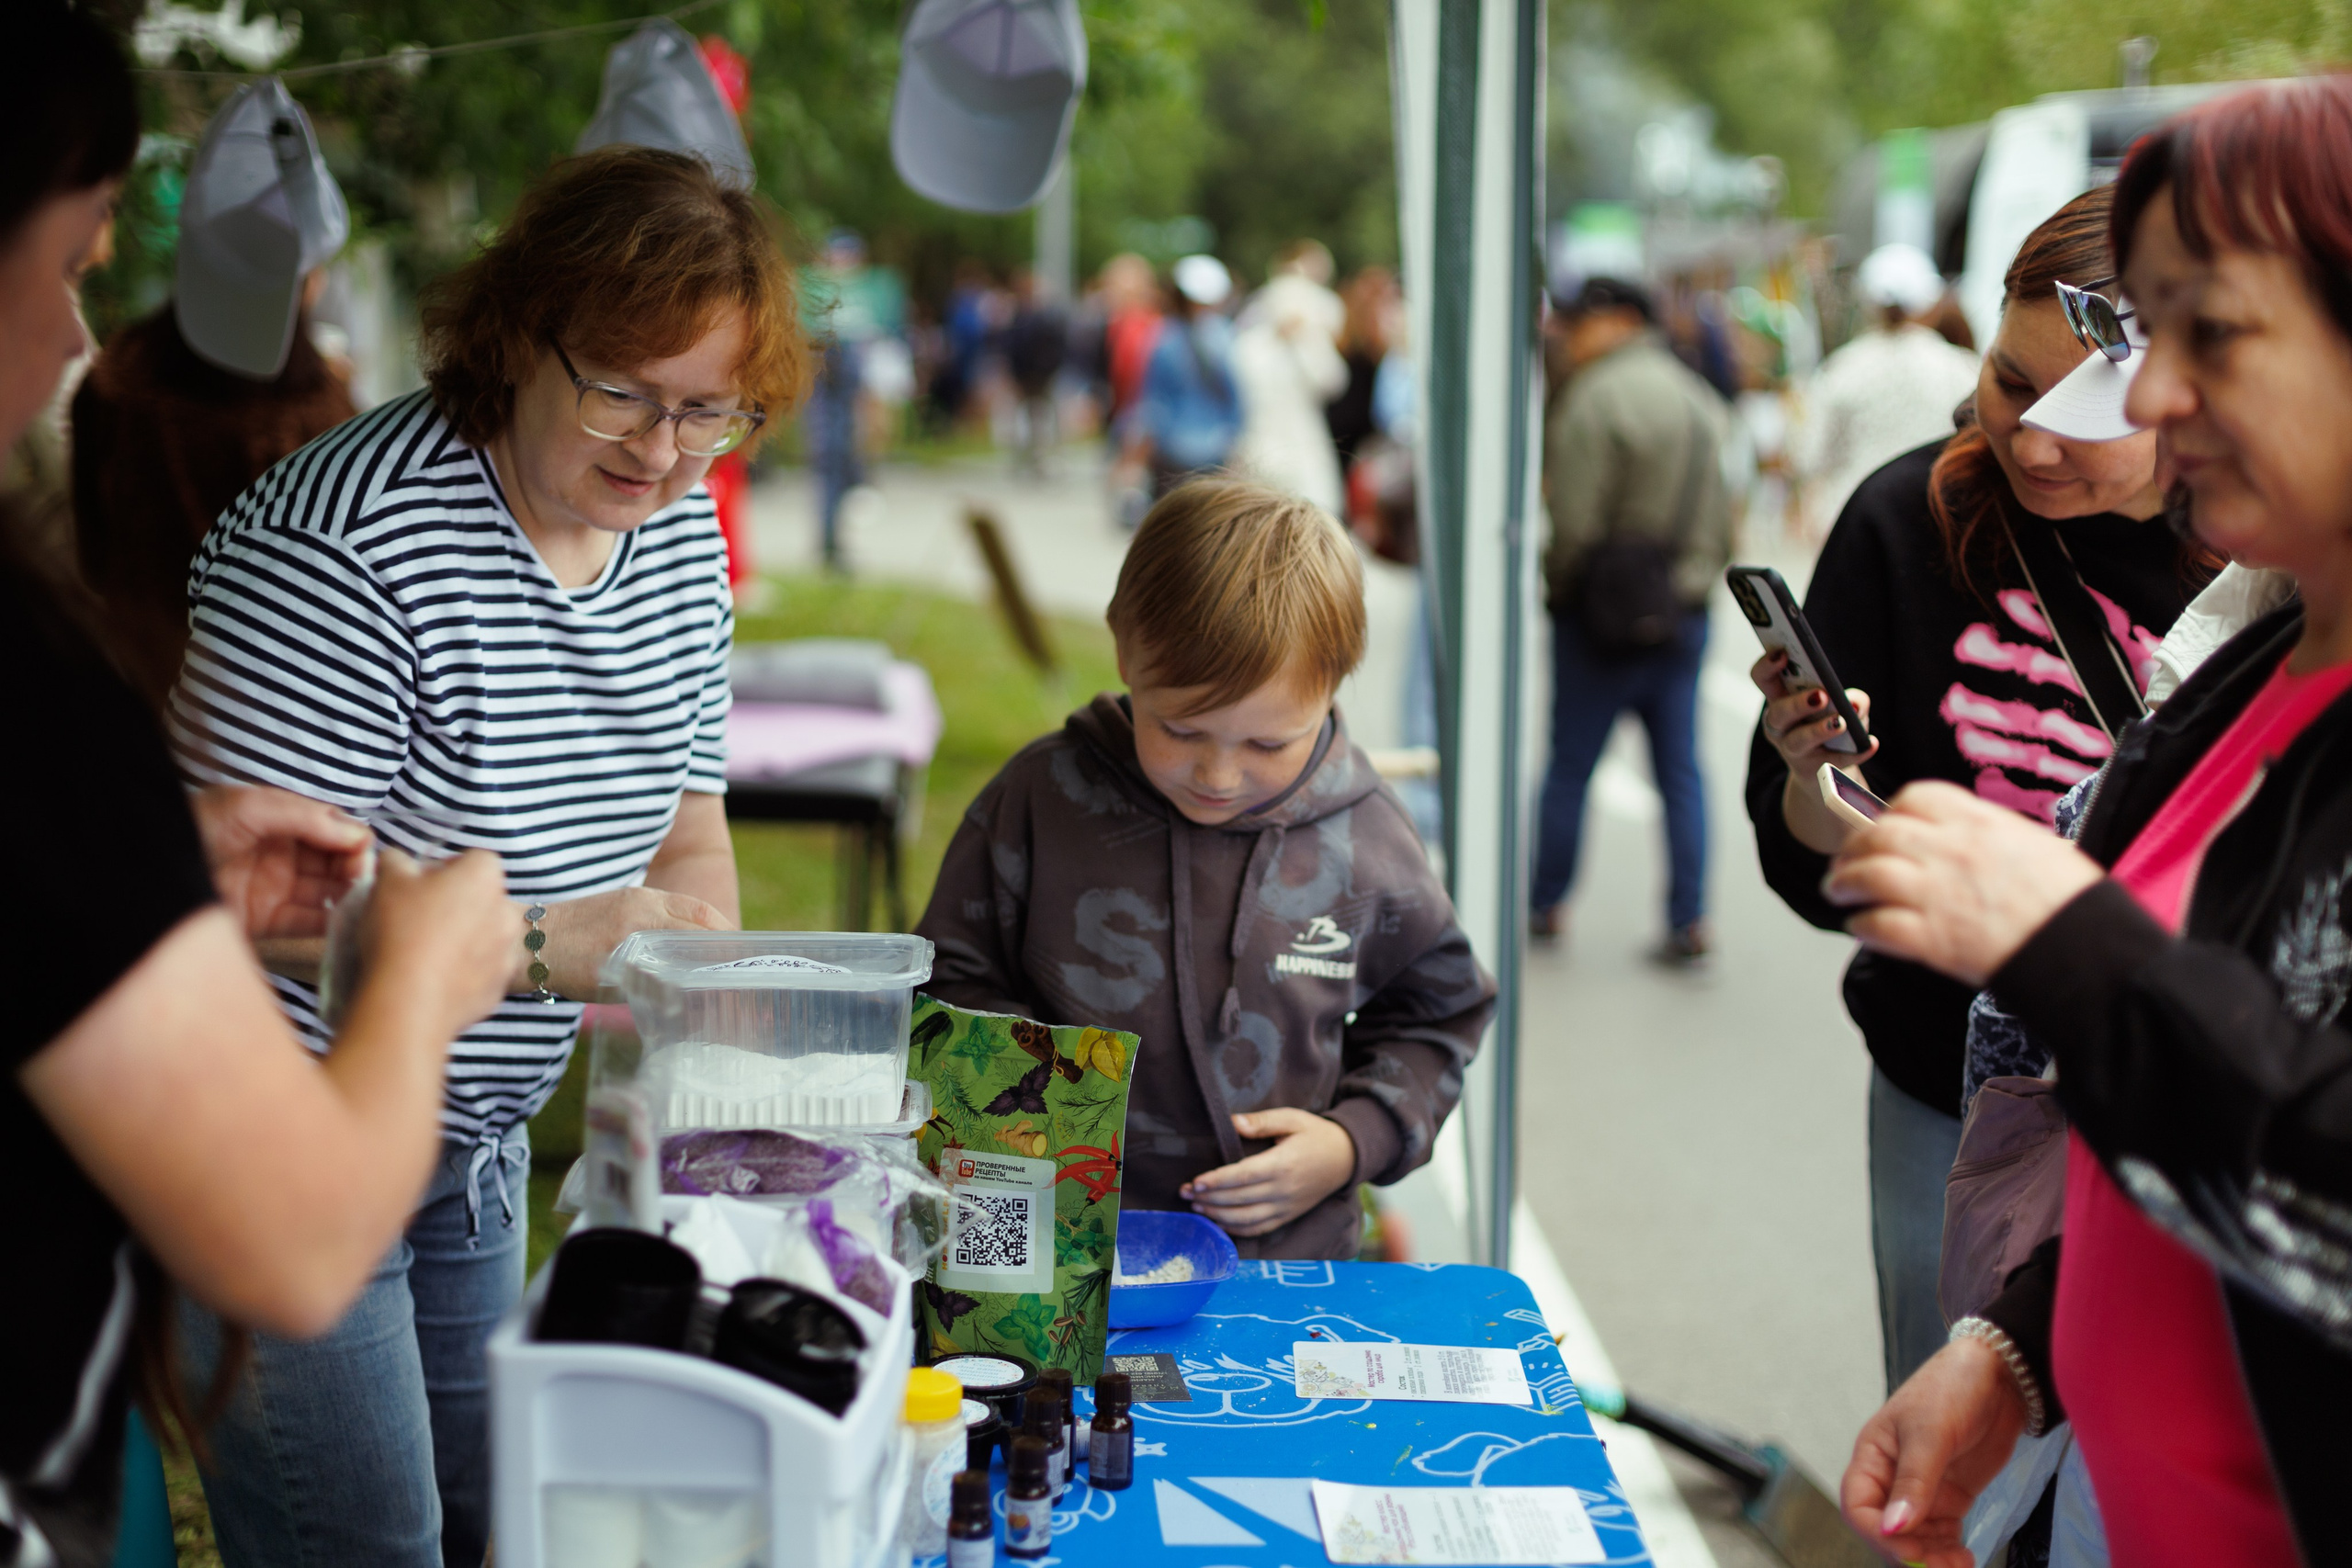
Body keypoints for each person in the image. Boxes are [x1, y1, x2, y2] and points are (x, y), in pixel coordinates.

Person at [165, 145, 804, 1568]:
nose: (662, 448)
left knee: (513, 1520)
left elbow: (689, 829)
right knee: (372, 1541)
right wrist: (538, 948)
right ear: (517, 338)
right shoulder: (341, 547)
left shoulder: (678, 524)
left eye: (711, 410)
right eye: (622, 390)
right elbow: (217, 904)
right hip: (275, 1122)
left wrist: (715, 1045)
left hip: (468, 1134)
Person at [4, 12, 517, 1565]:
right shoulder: (35, 702)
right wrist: (423, 976)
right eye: (75, 261)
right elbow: (296, 1243)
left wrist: (141, 876)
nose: (79, 335)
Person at [1832, 78, 2352, 1568]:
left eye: (2215, 335)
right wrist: (2021, 1346)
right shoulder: (2254, 654)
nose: (2148, 397)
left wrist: (2071, 944)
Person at [1743, 185, 2211, 1399]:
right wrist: (1814, 778)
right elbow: (1816, 863)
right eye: (2010, 384)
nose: (2035, 441)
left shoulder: (2271, 562)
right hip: (1945, 1085)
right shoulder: (1914, 516)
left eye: (2084, 410)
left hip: (2190, 1092)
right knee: (1947, 1420)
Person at [914, 479, 1496, 1258]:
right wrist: (1029, 1107)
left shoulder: (1367, 839)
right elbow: (946, 979)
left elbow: (1438, 1015)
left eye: (1266, 744)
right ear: (1125, 651)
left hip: (1281, 1263)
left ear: (1329, 692)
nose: (1217, 775)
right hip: (1042, 1245)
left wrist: (1350, 1142)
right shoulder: (1039, 799)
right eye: (1181, 728)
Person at [71, 77, 357, 708]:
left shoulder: (114, 379)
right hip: (277, 713)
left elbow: (92, 557)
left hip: (138, 698)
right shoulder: (317, 410)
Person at [1532, 276, 1733, 962]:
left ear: (1616, 321)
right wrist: (1691, 581)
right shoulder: (1697, 395)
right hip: (1685, 609)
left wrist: (1558, 591)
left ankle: (1544, 902)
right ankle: (1690, 916)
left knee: (1569, 766)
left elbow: (1576, 525)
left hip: (1598, 619)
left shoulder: (1593, 399)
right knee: (1680, 768)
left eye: (1577, 321)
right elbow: (1722, 516)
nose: (1566, 335)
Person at [1792, 243, 1980, 528]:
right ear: (1930, 302)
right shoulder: (1961, 368)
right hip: (1934, 517)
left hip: (1851, 519)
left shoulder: (1842, 369)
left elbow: (1809, 456)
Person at [1231, 239, 1348, 515]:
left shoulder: (1309, 339)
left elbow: (1331, 381)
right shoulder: (1251, 344)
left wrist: (1305, 341)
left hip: (1302, 441)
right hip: (1260, 442)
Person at [1133, 254, 1242, 498]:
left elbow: (1152, 400)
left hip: (1173, 448)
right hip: (1215, 446)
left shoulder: (1162, 338)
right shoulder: (1225, 338)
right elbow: (1236, 398)